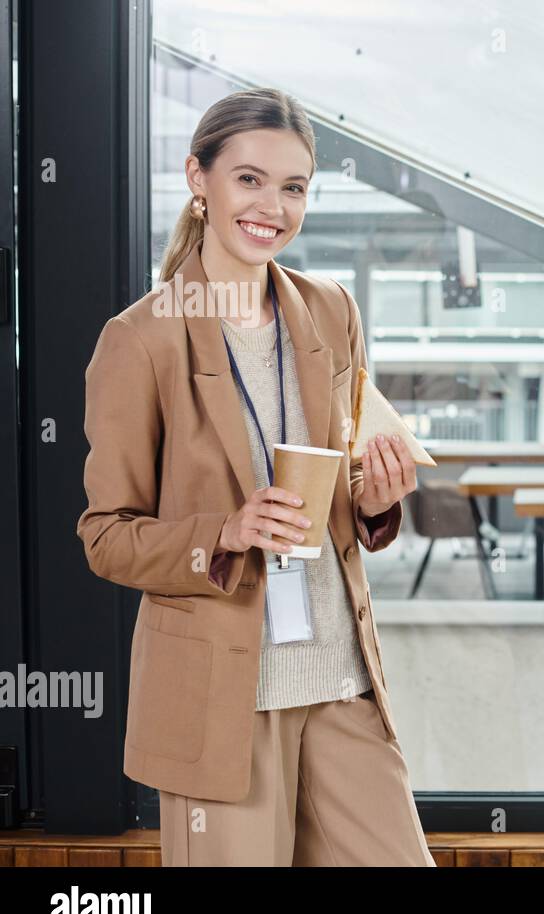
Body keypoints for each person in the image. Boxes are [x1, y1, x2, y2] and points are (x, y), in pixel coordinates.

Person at [76, 88, 433, 866]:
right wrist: (226, 533)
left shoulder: (331, 309)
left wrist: (373, 503)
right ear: (198, 180)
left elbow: (337, 485)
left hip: (341, 681)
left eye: (294, 186)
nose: (273, 205)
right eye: (249, 179)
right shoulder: (139, 341)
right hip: (222, 700)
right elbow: (106, 539)